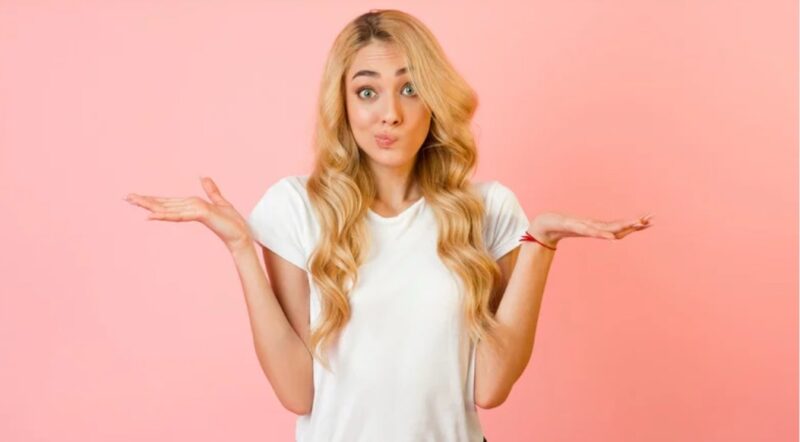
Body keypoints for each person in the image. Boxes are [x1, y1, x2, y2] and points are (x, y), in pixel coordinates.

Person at [123, 9, 654, 442]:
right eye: (367, 91)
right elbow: (296, 393)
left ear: (434, 99)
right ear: (343, 103)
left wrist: (540, 242)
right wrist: (242, 248)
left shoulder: (488, 210)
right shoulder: (295, 208)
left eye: (410, 88)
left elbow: (490, 388)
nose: (390, 114)